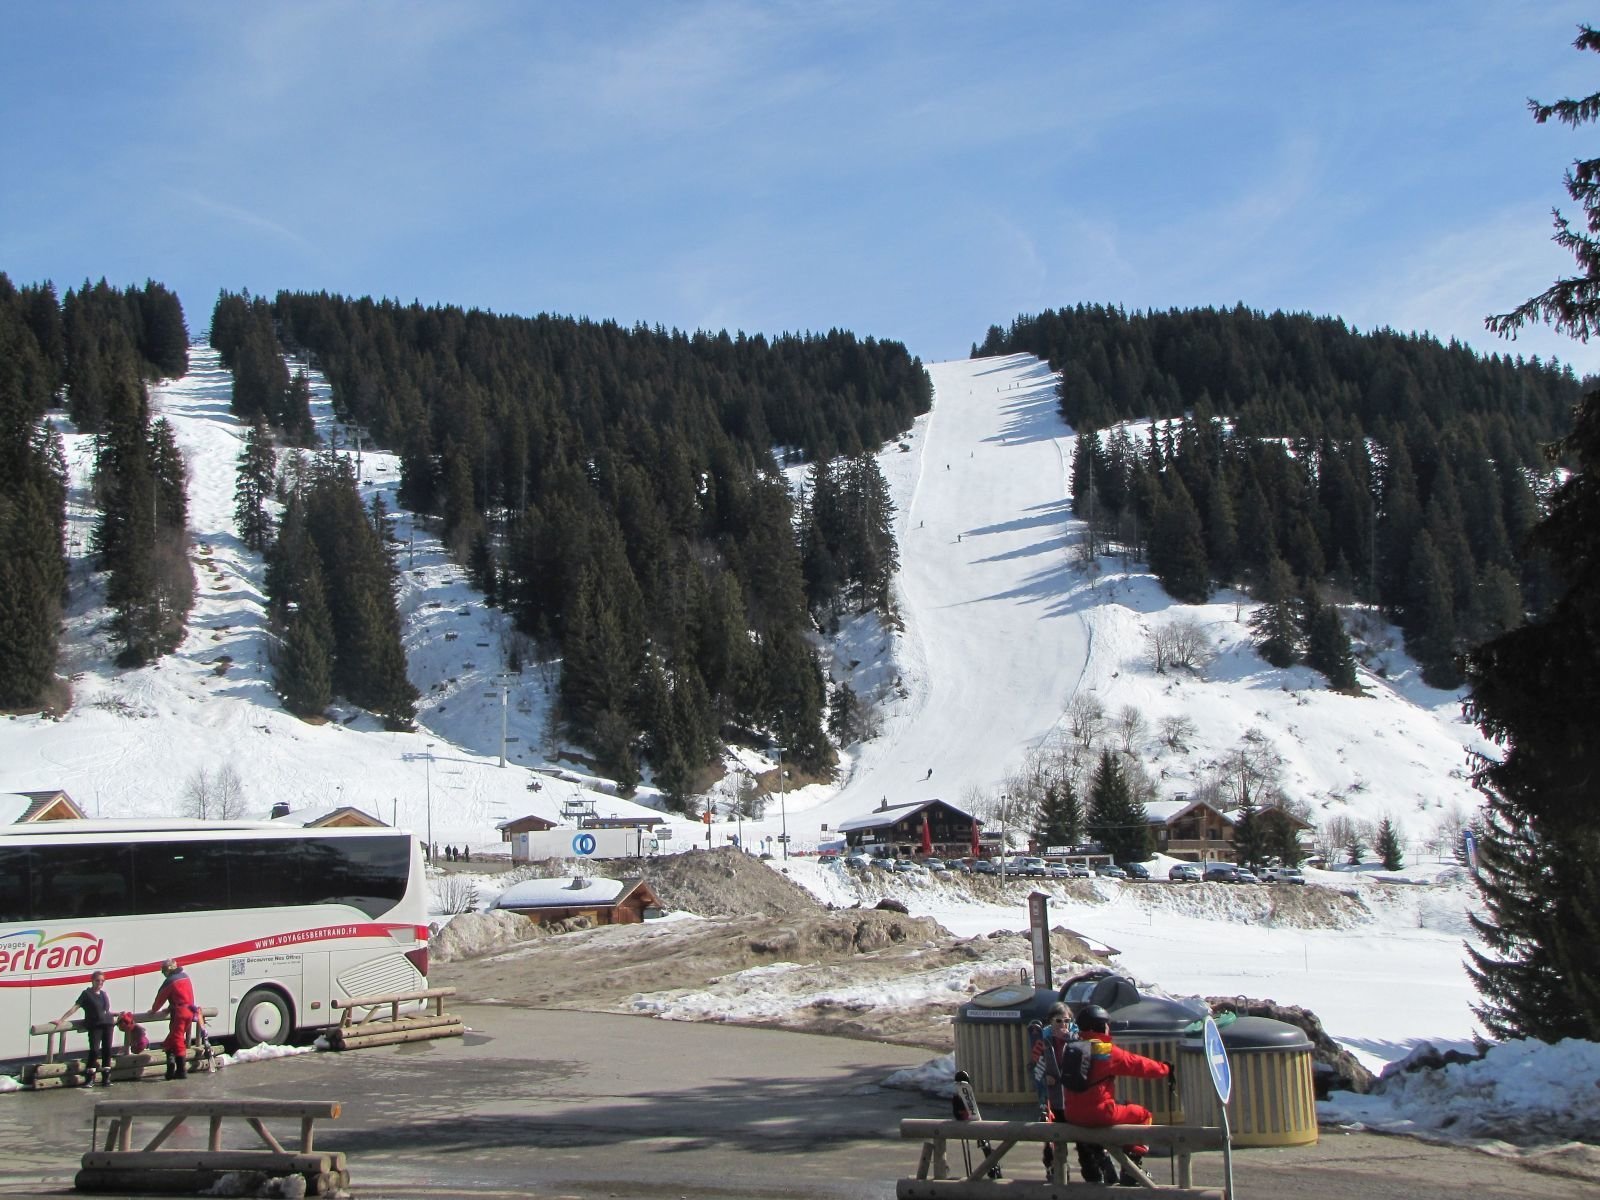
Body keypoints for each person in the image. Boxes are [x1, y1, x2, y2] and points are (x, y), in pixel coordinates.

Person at [1039, 1002, 1172, 1185]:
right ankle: (1132, 1167)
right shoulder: (1106, 1051)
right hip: (1100, 1113)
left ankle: (1103, 1163)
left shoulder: (1072, 1046)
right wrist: (1165, 1069)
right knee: (1142, 1115)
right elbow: (1139, 1065)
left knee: (1114, 1110)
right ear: (1101, 1026)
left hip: (1072, 1114)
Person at [58, 969, 116, 1086]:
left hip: (107, 1024)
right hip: (95, 1025)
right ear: (92, 981)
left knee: (107, 1050)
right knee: (94, 1050)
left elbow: (105, 1010)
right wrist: (61, 1020)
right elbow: (76, 1007)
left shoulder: (104, 994)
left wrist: (117, 1014)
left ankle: (106, 1076)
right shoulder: (86, 994)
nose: (100, 983)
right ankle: (90, 1077)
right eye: (97, 980)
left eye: (102, 981)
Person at [150, 959, 198, 1079]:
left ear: (167, 970)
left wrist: (153, 1010)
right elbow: (186, 996)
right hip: (189, 1011)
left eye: (163, 971)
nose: (163, 973)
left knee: (177, 1040)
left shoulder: (170, 981)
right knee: (171, 1040)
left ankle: (181, 1071)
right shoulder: (185, 977)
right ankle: (170, 1071)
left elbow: (160, 998)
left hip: (180, 1013)